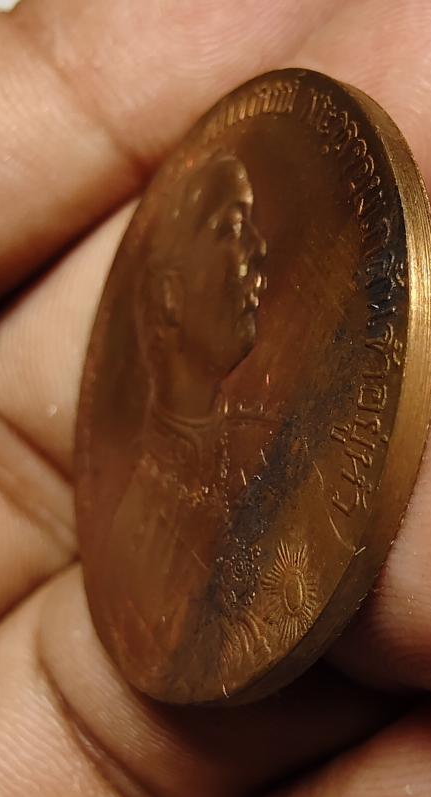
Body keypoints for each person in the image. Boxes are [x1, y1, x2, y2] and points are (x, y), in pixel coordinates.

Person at [0, 1, 431, 796]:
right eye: (229, 232)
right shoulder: (144, 524)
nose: (253, 259)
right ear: (169, 297)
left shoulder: (275, 460)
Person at [98, 151, 270, 699]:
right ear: (170, 296)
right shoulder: (135, 537)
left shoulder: (271, 447)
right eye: (231, 230)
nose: (258, 248)